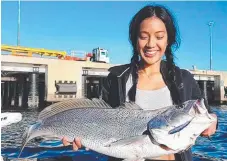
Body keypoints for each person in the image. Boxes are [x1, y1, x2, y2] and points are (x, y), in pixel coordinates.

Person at [62, 4, 217, 161]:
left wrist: (212, 123)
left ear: (168, 39)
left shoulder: (184, 79)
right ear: (135, 40)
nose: (151, 44)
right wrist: (78, 134)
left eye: (159, 36)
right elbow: (95, 119)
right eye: (143, 36)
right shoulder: (116, 79)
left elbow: (208, 114)